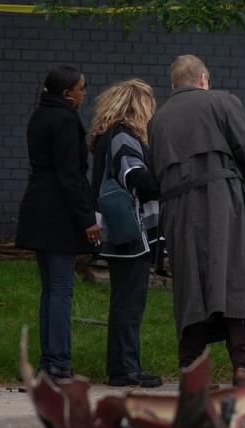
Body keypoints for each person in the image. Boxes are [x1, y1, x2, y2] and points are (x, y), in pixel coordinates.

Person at [148, 55, 245, 386]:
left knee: (189, 283)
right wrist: (231, 176)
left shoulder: (157, 119)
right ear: (202, 78)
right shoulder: (222, 101)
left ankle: (191, 370)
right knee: (233, 277)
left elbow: (156, 169)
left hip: (177, 207)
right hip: (220, 200)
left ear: (174, 84)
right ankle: (242, 366)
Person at [16, 66, 101, 383]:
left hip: (38, 208)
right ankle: (59, 365)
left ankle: (46, 365)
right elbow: (71, 175)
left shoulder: (39, 116)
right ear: (68, 93)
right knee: (61, 291)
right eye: (82, 88)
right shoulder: (66, 120)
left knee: (50, 291)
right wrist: (87, 219)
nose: (84, 93)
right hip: (60, 215)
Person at [88, 79, 163, 388]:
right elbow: (135, 177)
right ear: (138, 107)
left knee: (126, 301)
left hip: (118, 230)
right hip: (131, 233)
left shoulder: (108, 135)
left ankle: (126, 366)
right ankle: (124, 369)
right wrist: (170, 183)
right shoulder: (124, 136)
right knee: (129, 303)